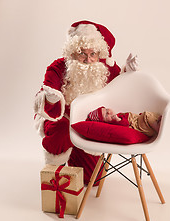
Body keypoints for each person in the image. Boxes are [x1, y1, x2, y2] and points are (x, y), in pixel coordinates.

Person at [34, 20, 138, 185]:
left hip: (90, 123)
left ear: (99, 53)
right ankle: (56, 169)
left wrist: (128, 72)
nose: (88, 60)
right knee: (60, 130)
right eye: (82, 53)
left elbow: (120, 87)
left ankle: (77, 155)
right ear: (73, 52)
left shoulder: (105, 67)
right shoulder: (58, 67)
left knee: (92, 180)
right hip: (63, 120)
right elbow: (45, 95)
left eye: (93, 54)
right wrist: (51, 98)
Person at [87, 106, 162, 137]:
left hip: (141, 121)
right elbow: (125, 125)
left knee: (151, 115)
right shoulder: (114, 123)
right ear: (105, 122)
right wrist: (118, 120)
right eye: (106, 115)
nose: (109, 112)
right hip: (139, 126)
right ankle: (157, 126)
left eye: (107, 110)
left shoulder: (118, 115)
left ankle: (158, 122)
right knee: (146, 115)